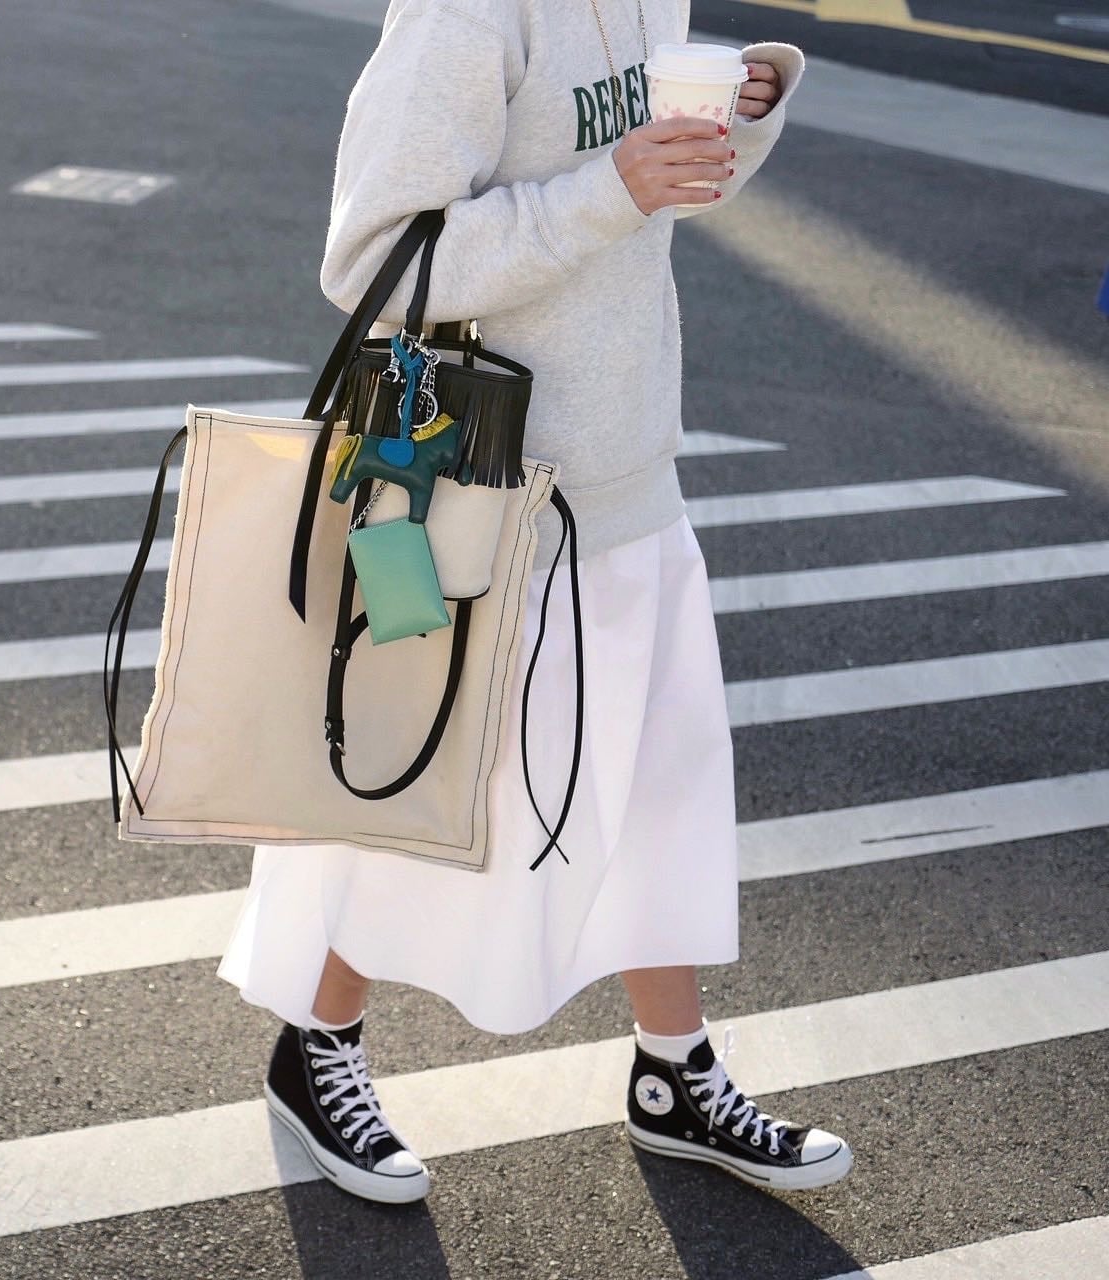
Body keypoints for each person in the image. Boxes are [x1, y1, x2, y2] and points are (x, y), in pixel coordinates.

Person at [219, 0, 853, 1204]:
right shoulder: (465, 12)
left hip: (629, 471)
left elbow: (650, 196)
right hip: (484, 485)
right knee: (427, 788)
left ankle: (673, 1069)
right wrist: (608, 186)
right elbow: (371, 260)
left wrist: (738, 117)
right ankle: (315, 1048)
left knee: (658, 785)